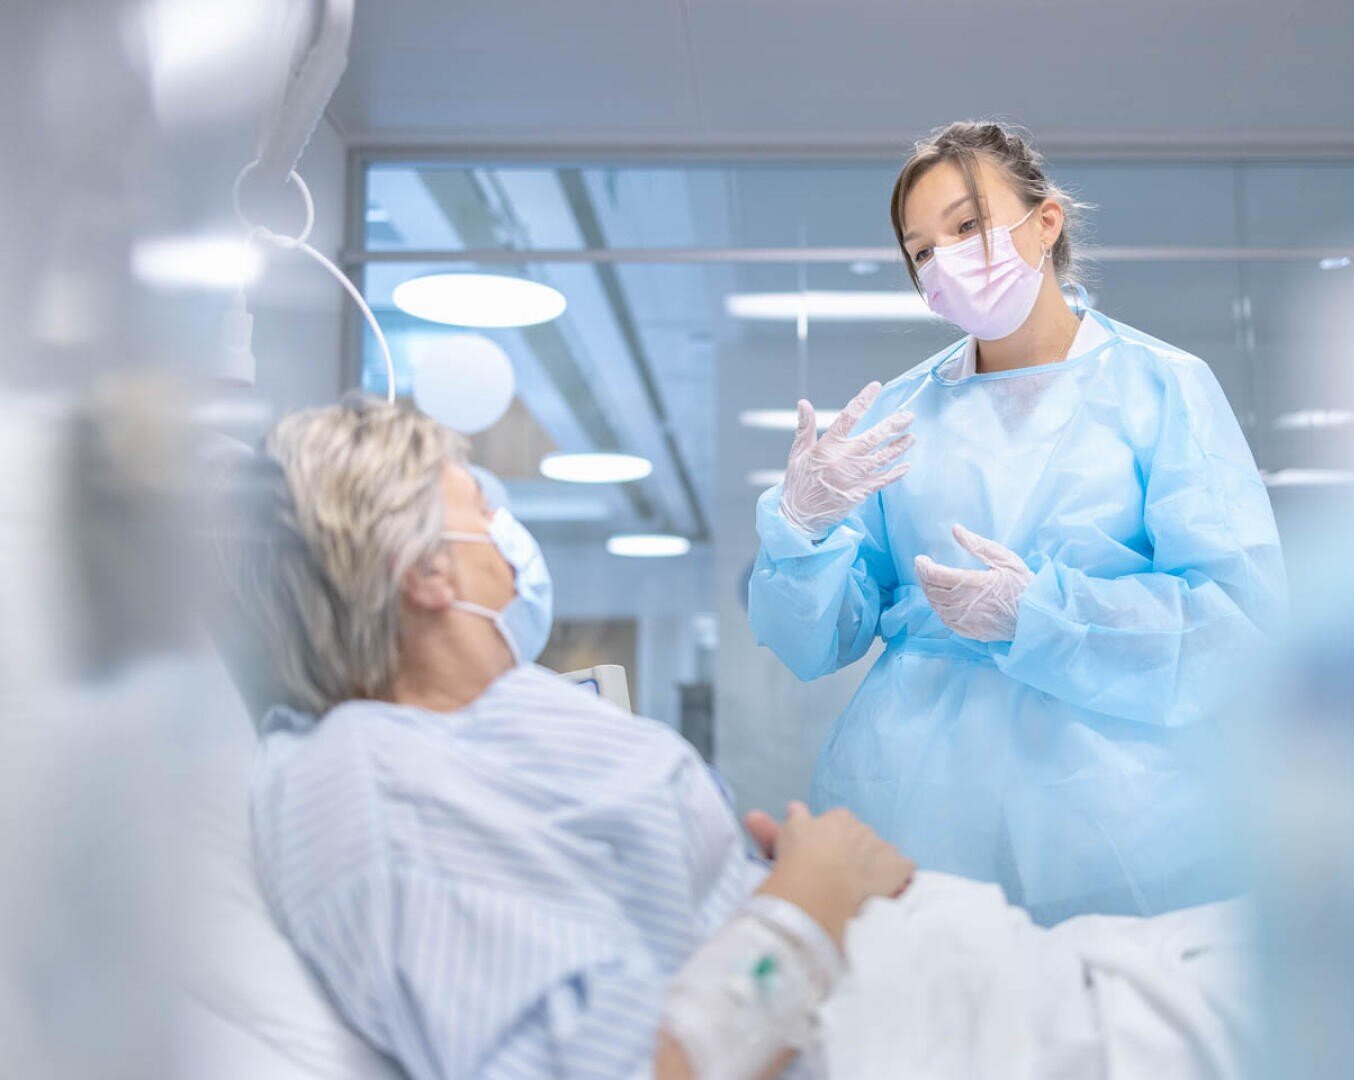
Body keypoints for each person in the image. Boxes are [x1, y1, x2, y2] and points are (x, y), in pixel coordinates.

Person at [218, 396, 914, 1080]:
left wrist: (749, 875)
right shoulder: (379, 795)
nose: (506, 536)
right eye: (485, 513)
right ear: (427, 570)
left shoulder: (471, 722)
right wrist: (802, 907)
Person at [749, 121, 1287, 924]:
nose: (945, 261)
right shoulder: (899, 413)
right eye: (922, 250)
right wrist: (803, 533)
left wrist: (1045, 617)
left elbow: (1235, 624)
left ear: (1047, 221)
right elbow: (817, 641)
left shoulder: (1161, 387)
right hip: (914, 799)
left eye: (966, 227)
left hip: (1117, 816)